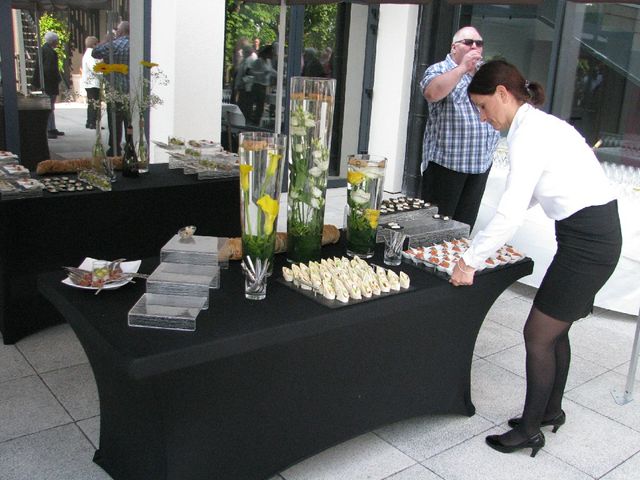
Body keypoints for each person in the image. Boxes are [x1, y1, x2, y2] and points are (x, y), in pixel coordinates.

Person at [450, 59, 622, 457]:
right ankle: (550, 410)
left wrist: (470, 260)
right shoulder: (536, 126)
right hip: (592, 237)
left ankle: (529, 429)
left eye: (482, 106)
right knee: (555, 330)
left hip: (589, 243)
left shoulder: (528, 134)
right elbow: (527, 196)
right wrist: (481, 246)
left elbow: (510, 211)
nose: (482, 116)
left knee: (537, 333)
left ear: (502, 94)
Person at [419, 26, 499, 230]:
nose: (474, 46)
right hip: (446, 166)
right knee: (435, 230)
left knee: (463, 229)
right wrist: (462, 68)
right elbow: (432, 93)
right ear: (454, 47)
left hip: (479, 165)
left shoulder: (486, 74)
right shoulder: (439, 70)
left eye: (478, 43)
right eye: (468, 42)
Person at [92, 21, 130, 156]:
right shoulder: (136, 44)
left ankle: (114, 147)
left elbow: (95, 52)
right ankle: (130, 146)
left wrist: (106, 40)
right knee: (129, 121)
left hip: (116, 90)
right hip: (132, 91)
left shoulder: (115, 44)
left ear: (120, 32)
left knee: (115, 121)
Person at [35, 32, 64, 139]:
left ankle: (52, 127)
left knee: (51, 107)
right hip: (49, 84)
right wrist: (57, 79)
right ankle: (49, 129)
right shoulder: (49, 52)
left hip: (48, 83)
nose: (57, 42)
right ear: (53, 41)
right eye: (57, 40)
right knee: (49, 107)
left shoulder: (45, 50)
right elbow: (49, 69)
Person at [246, 45, 276, 126]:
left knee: (261, 105)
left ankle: (257, 121)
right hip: (257, 85)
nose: (272, 54)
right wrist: (262, 73)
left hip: (264, 86)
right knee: (256, 104)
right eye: (271, 53)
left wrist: (279, 75)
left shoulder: (268, 62)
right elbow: (251, 72)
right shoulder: (259, 61)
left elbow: (271, 71)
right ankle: (252, 121)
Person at [81, 36, 101, 129]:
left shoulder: (88, 54)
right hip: (92, 83)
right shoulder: (90, 54)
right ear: (94, 44)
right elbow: (95, 68)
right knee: (94, 103)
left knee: (92, 103)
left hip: (90, 82)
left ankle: (90, 121)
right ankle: (92, 122)